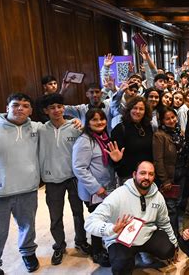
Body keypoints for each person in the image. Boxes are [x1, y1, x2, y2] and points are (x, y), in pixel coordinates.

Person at [84, 161, 178, 275]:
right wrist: (111, 229)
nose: (146, 177)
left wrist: (174, 243)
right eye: (142, 173)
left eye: (151, 174)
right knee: (121, 265)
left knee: (168, 250)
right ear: (134, 174)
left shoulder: (158, 197)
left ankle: (144, 252)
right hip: (120, 238)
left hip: (146, 234)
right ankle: (127, 259)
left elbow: (164, 222)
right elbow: (90, 222)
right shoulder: (118, 195)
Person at [38, 94, 91, 265]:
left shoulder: (75, 127)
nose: (57, 110)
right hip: (53, 180)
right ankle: (59, 246)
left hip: (74, 178)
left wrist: (81, 125)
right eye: (52, 107)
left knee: (78, 213)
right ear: (46, 111)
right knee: (55, 216)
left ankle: (81, 241)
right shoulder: (39, 129)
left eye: (59, 106)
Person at [72, 108, 123, 267]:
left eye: (101, 119)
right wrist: (96, 188)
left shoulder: (105, 137)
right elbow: (79, 168)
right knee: (97, 219)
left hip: (107, 186)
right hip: (94, 191)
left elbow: (108, 163)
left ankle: (104, 245)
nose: (99, 122)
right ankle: (97, 251)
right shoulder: (85, 140)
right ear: (88, 122)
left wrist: (117, 160)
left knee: (106, 217)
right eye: (94, 120)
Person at [0, 93, 41, 273]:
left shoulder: (37, 128)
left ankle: (28, 252)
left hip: (28, 188)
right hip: (0, 192)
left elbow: (58, 126)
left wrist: (75, 122)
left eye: (25, 105)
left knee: (27, 225)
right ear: (7, 107)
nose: (20, 109)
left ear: (30, 110)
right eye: (16, 105)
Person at [153, 107, 189, 233]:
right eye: (167, 119)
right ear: (162, 121)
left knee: (178, 203)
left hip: (182, 172)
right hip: (169, 176)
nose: (171, 120)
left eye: (173, 117)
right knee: (171, 207)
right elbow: (158, 160)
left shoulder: (179, 131)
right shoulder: (159, 135)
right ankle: (174, 235)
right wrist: (165, 180)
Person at [111, 96, 153, 183]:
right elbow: (115, 157)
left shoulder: (148, 127)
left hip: (146, 174)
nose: (137, 111)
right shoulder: (120, 129)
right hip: (128, 176)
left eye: (141, 109)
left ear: (145, 112)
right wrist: (117, 161)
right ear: (129, 110)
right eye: (135, 108)